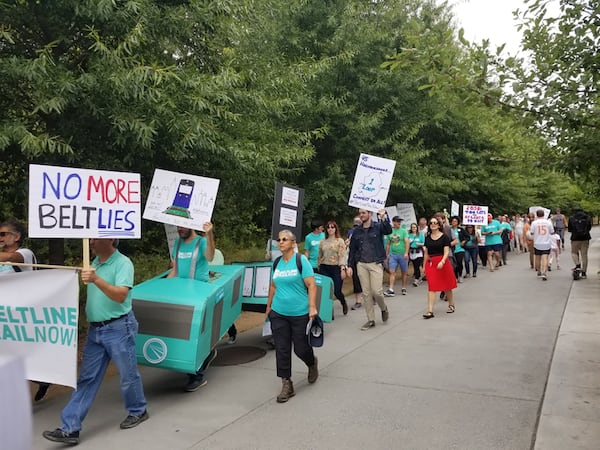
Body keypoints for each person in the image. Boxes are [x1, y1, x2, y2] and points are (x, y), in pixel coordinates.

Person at [43, 238, 148, 445]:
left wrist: (96, 279)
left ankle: (138, 410)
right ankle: (70, 428)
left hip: (119, 327)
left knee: (127, 375)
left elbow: (120, 296)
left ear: (110, 239)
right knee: (87, 379)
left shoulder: (123, 263)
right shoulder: (94, 263)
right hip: (96, 331)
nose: (90, 241)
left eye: (94, 237)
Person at [0, 220, 51, 402]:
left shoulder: (24, 254)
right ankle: (41, 379)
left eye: (3, 234)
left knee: (17, 360)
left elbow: (10, 259)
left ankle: (19, 403)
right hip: (4, 318)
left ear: (17, 237)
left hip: (22, 318)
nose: (1, 238)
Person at [266, 229, 318, 403]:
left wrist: (312, 307)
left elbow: (311, 285)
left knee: (301, 348)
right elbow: (273, 286)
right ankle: (287, 384)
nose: (280, 242)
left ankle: (311, 363)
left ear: (293, 243)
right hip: (279, 312)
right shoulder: (277, 263)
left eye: (284, 239)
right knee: (282, 348)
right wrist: (269, 307)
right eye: (279, 239)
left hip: (300, 313)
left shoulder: (300, 260)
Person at [167, 224, 219, 391]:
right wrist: (163, 288)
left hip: (199, 295)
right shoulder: (178, 244)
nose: (178, 228)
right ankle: (206, 355)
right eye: (177, 225)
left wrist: (209, 234)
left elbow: (210, 257)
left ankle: (197, 376)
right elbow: (175, 270)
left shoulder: (202, 242)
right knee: (183, 333)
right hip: (182, 295)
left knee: (194, 334)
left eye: (182, 226)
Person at [347, 208, 392, 331]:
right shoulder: (356, 231)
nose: (361, 215)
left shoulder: (378, 226)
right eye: (360, 213)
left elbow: (388, 230)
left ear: (370, 214)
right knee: (366, 293)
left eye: (364, 213)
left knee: (377, 292)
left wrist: (384, 217)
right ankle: (370, 319)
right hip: (361, 264)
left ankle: (383, 308)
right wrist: (350, 265)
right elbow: (352, 250)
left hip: (375, 263)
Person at [422, 216, 457, 318]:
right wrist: (424, 266)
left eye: (435, 223)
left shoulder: (444, 237)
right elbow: (426, 253)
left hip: (442, 262)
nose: (433, 224)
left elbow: (446, 252)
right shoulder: (427, 238)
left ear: (439, 225)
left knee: (447, 286)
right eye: (431, 223)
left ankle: (451, 304)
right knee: (431, 286)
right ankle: (430, 311)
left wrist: (442, 261)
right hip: (431, 263)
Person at [318, 220, 349, 315]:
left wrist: (343, 269)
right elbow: (320, 255)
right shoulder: (322, 241)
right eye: (328, 227)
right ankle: (328, 311)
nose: (330, 229)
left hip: (336, 267)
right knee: (326, 291)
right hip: (324, 267)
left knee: (337, 290)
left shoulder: (339, 241)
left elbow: (342, 255)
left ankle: (343, 302)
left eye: (332, 227)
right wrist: (319, 265)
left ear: (335, 229)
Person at [384, 216, 409, 296]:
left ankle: (404, 287)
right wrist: (387, 254)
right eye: (397, 221)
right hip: (393, 254)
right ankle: (391, 289)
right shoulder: (390, 231)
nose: (399, 223)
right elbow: (388, 244)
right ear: (393, 222)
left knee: (404, 272)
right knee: (392, 271)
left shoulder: (403, 231)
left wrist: (406, 252)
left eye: (399, 221)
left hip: (402, 254)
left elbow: (407, 242)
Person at [529, 209, 554, 281]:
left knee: (537, 257)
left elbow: (531, 233)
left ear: (536, 215)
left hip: (537, 242)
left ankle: (539, 271)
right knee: (545, 258)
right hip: (546, 243)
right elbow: (552, 232)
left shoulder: (534, 223)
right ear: (544, 214)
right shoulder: (548, 222)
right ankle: (544, 272)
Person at [568, 207, 592, 279]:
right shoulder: (587, 217)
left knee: (574, 253)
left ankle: (578, 265)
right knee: (584, 255)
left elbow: (569, 229)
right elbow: (589, 228)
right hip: (585, 238)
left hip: (575, 238)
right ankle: (584, 273)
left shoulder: (572, 218)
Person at [346, 216, 363, 310]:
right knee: (356, 279)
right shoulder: (350, 232)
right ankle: (358, 301)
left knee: (367, 279)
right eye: (355, 224)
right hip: (354, 258)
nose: (356, 227)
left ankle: (372, 297)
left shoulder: (366, 231)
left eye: (358, 224)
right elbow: (349, 246)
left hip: (365, 258)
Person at [450, 216, 467, 283]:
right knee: (454, 264)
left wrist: (464, 241)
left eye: (455, 221)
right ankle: (455, 276)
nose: (454, 222)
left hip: (460, 249)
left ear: (458, 222)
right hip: (453, 249)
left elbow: (467, 236)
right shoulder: (449, 230)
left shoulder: (461, 229)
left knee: (459, 262)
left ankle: (460, 275)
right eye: (453, 221)